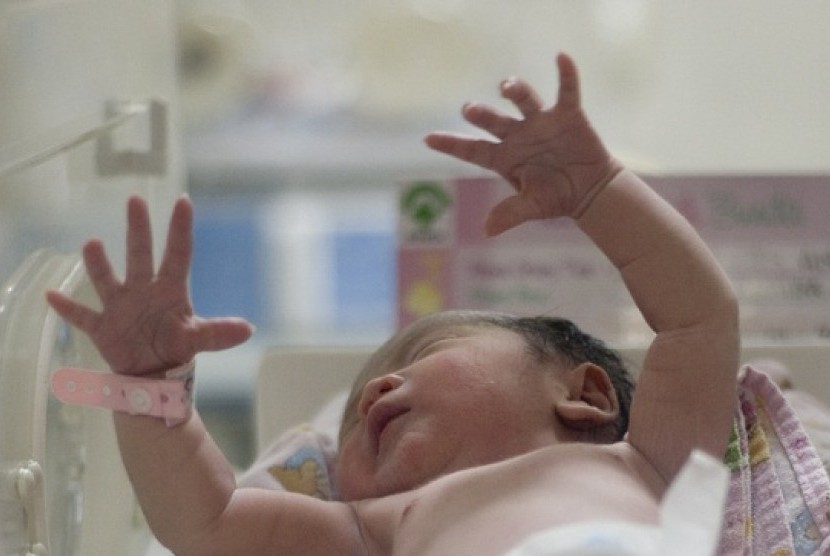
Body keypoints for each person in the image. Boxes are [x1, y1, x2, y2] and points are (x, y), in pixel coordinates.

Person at [46, 52, 739, 555]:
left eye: (426, 354)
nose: (376, 387)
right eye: (348, 422)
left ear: (585, 396)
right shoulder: (366, 528)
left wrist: (599, 194)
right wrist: (147, 387)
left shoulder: (647, 463)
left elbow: (697, 320)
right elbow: (206, 520)